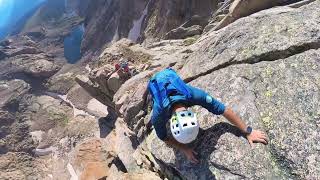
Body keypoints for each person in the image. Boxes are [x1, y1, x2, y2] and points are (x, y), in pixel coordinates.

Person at [148, 68, 268, 163]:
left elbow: (224, 110)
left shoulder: (194, 95)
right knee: (155, 93)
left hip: (170, 75)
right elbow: (163, 137)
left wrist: (248, 131)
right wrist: (183, 148)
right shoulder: (158, 114)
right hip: (155, 81)